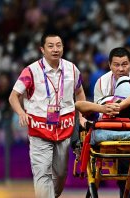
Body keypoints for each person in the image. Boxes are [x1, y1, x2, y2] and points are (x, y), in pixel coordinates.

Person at [8, 32, 86, 198]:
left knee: (60, 173)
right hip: (39, 129)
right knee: (42, 173)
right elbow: (13, 96)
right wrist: (21, 112)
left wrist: (82, 116)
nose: (55, 49)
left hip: (64, 128)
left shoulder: (72, 69)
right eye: (50, 46)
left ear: (63, 48)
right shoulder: (31, 71)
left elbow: (79, 92)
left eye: (58, 45)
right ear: (42, 49)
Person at [93, 47, 130, 198]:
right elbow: (98, 111)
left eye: (125, 64)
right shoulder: (101, 82)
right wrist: (108, 109)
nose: (121, 69)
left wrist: (121, 107)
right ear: (110, 65)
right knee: (124, 175)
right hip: (111, 130)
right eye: (116, 65)